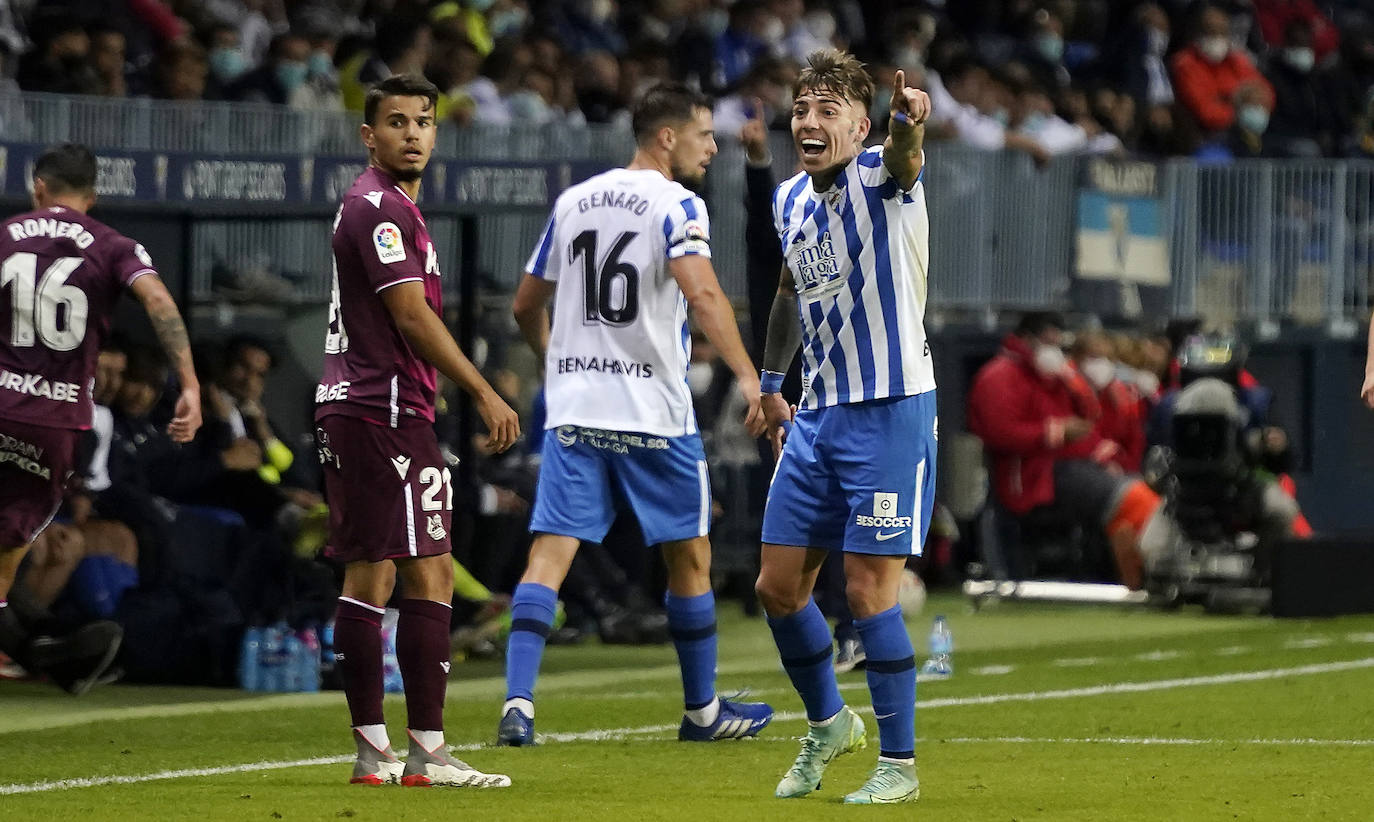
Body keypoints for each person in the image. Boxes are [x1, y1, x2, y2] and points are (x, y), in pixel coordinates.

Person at [498, 81, 773, 747]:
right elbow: (702, 292)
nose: (713, 146)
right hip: (652, 410)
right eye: (704, 133)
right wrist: (748, 378)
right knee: (691, 554)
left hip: (576, 407)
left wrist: (556, 360)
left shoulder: (575, 201)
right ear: (667, 136)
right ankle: (704, 712)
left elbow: (524, 305)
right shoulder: (678, 205)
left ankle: (518, 705)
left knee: (551, 552)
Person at [315, 74, 518, 788]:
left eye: (423, 121)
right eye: (396, 122)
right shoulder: (378, 208)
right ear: (368, 135)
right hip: (385, 410)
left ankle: (376, 752)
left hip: (359, 404)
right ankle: (426, 755)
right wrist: (484, 389)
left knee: (370, 571)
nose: (411, 133)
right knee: (428, 569)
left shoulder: (388, 205)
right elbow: (409, 314)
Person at [754, 49, 934, 805]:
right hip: (818, 415)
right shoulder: (790, 198)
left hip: (890, 411)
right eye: (802, 109)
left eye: (828, 110)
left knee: (868, 594)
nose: (809, 121)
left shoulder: (882, 178)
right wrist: (770, 385)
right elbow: (790, 292)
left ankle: (899, 765)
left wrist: (906, 122)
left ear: (858, 125)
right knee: (777, 587)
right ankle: (830, 723)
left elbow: (905, 155)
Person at [0, 142, 201, 693]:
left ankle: (38, 646)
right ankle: (40, 645)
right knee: (7, 549)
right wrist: (189, 383)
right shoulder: (115, 246)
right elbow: (158, 302)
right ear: (92, 197)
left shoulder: (6, 234)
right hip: (54, 425)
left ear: (37, 186)